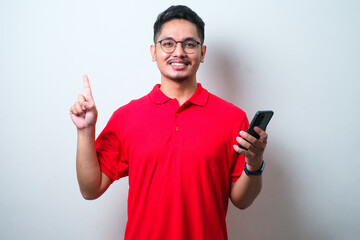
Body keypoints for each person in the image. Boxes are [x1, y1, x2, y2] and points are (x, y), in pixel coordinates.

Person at [70, 5, 268, 240]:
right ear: (153, 51)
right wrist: (85, 130)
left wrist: (254, 163)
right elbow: (90, 189)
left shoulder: (233, 118)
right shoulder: (127, 117)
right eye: (168, 43)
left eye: (189, 44)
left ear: (202, 53)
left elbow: (242, 201)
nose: (179, 52)